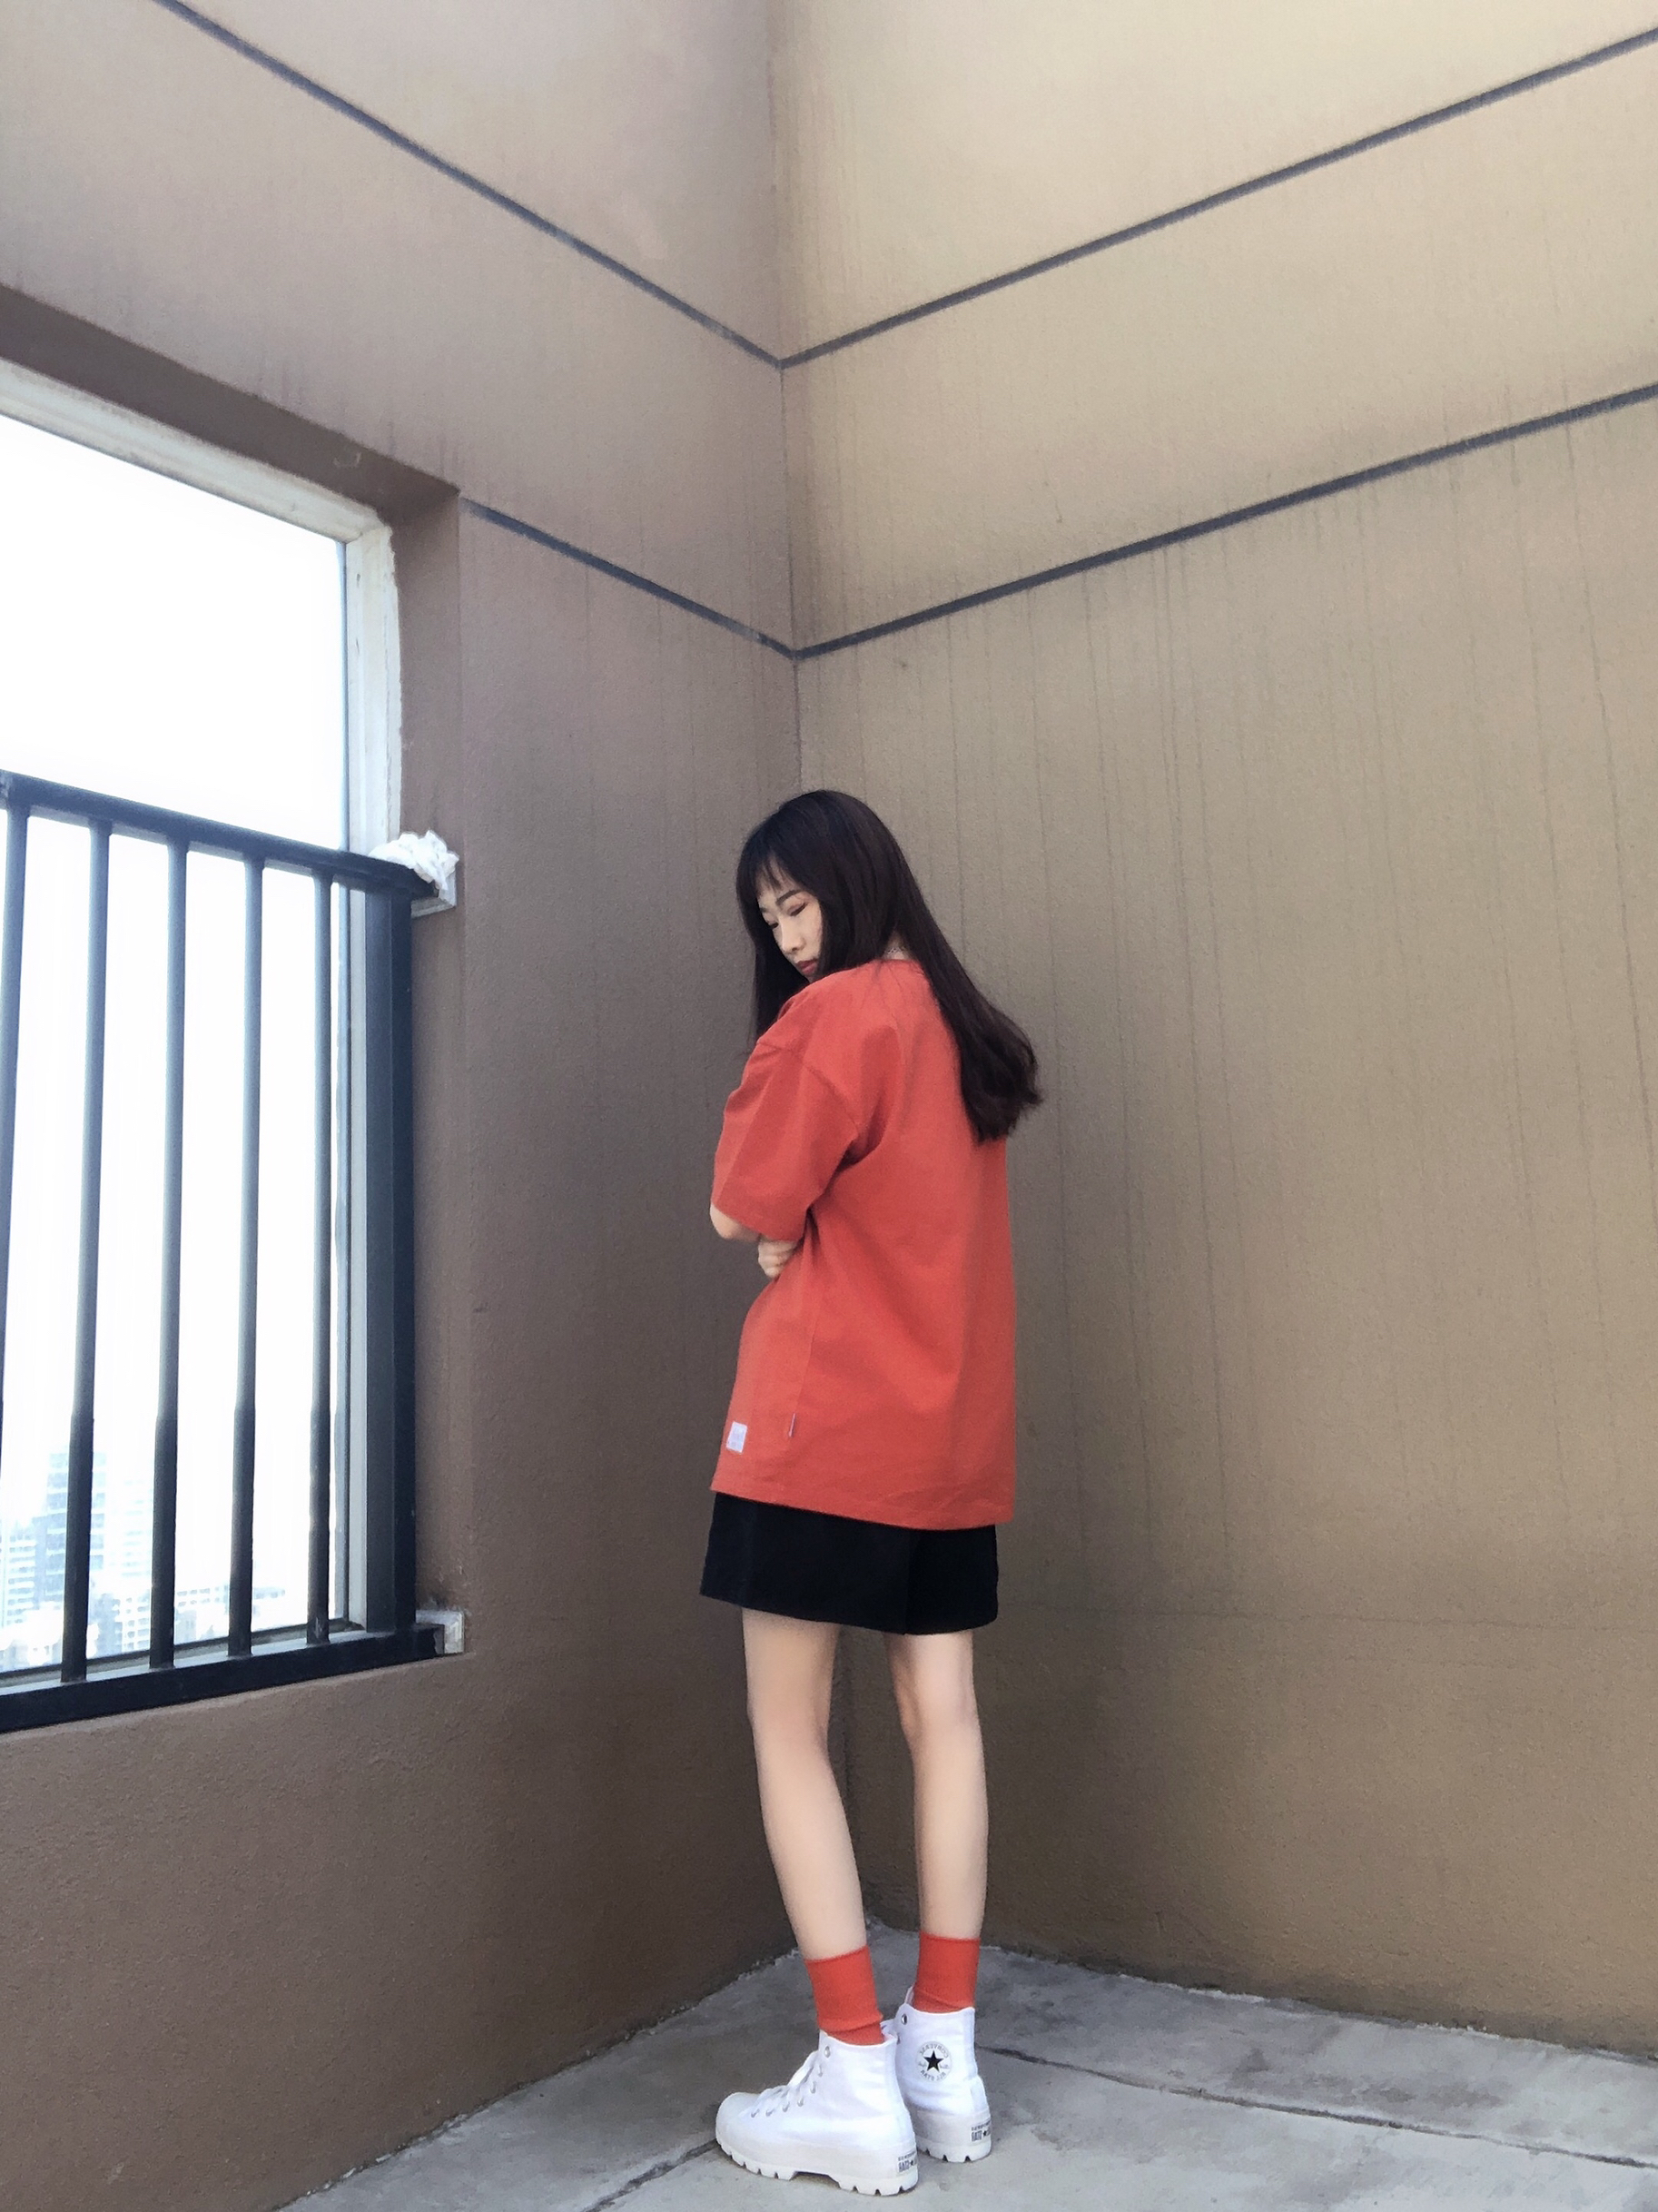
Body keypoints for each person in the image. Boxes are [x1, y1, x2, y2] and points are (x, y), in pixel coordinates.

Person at [699, 789, 1041, 2194]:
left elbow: (741, 1204)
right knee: (941, 1717)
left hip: (819, 1426)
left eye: (795, 901)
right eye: (767, 916)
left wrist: (770, 1242)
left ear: (853, 877)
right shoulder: (962, 1029)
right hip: (947, 1439)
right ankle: (939, 2056)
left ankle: (851, 2073)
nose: (786, 936)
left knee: (790, 1730)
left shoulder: (831, 1019)